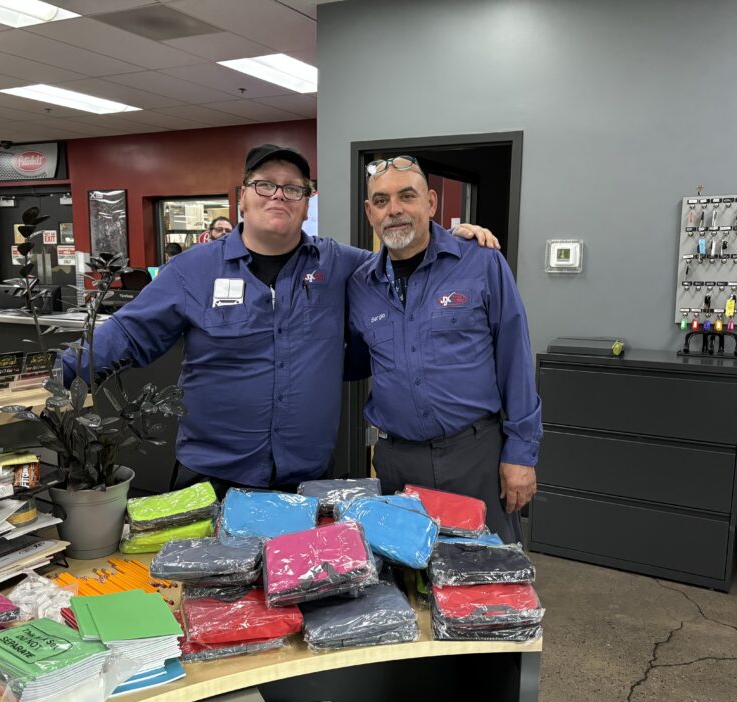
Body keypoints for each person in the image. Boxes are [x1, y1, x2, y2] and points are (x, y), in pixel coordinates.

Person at [64, 145, 495, 497]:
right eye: (265, 184)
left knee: (299, 593)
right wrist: (56, 375)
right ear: (242, 198)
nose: (278, 195)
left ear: (307, 204)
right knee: (205, 598)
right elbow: (126, 334)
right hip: (213, 477)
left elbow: (402, 258)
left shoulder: (344, 265)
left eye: (293, 189)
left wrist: (447, 238)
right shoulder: (191, 271)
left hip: (305, 480)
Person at [346, 156, 541, 543]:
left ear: (431, 203)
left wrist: (520, 453)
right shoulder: (360, 284)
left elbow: (515, 359)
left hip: (475, 456)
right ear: (370, 212)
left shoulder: (482, 262)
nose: (395, 210)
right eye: (381, 201)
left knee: (484, 583)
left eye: (407, 196)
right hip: (396, 462)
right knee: (404, 581)